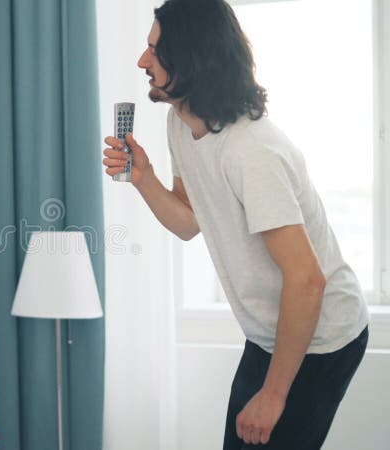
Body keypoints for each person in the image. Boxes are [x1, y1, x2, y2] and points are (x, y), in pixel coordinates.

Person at [101, 1, 369, 448]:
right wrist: (143, 178)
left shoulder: (252, 152)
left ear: (191, 58)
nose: (141, 61)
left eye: (153, 51)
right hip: (269, 330)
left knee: (263, 426)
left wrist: (274, 394)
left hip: (322, 336)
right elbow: (189, 221)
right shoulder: (182, 124)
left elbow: (307, 281)